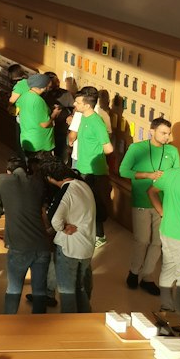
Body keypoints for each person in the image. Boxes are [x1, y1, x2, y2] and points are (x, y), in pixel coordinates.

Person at [0, 154, 52, 314]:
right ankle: (40, 325)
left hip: (19, 247)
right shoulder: (37, 181)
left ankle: (10, 324)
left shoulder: (1, 180)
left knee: (14, 288)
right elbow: (43, 211)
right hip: (42, 245)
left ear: (9, 171)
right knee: (39, 291)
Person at [119, 115, 175, 294]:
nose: (167, 137)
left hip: (163, 204)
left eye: (168, 133)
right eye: (163, 133)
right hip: (142, 201)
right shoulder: (137, 148)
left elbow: (175, 176)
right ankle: (134, 271)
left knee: (157, 243)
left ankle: (147, 276)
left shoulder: (172, 152)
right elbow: (123, 170)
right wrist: (147, 175)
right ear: (152, 131)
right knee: (142, 240)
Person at [148, 143, 180, 320]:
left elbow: (152, 191)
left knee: (168, 268)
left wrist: (162, 212)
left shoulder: (170, 173)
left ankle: (166, 307)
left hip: (166, 230)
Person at [46, 163, 96, 312]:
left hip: (69, 247)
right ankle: (84, 321)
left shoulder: (66, 191)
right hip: (86, 245)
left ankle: (69, 325)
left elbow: (55, 219)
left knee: (67, 291)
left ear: (51, 178)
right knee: (80, 287)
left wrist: (62, 227)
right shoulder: (83, 185)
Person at [69, 86, 114, 244]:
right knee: (84, 203)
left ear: (87, 105)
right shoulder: (83, 118)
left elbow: (108, 148)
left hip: (94, 172)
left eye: (78, 102)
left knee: (93, 203)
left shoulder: (96, 122)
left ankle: (99, 236)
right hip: (83, 167)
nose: (75, 104)